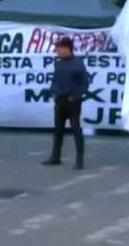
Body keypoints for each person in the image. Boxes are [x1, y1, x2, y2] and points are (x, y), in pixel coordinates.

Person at [43, 37, 90, 170]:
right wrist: (53, 92)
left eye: (59, 48)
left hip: (72, 102)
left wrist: (75, 97)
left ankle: (79, 160)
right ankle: (55, 157)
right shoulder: (58, 63)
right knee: (58, 130)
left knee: (76, 130)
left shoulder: (78, 63)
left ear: (67, 49)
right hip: (59, 101)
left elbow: (84, 84)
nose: (57, 51)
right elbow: (55, 80)